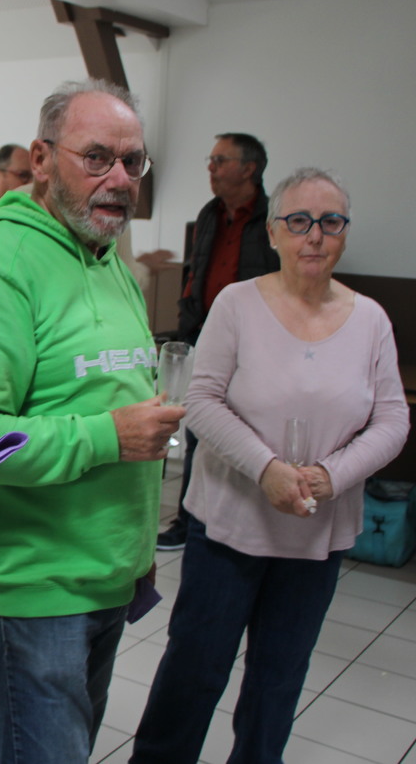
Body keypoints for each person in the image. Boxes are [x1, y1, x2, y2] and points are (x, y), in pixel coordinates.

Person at [0, 78, 184, 764]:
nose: (119, 179)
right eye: (96, 157)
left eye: (133, 161)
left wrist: (136, 552)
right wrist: (110, 436)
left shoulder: (109, 257)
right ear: (41, 159)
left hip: (108, 572)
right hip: (37, 586)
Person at [129, 168, 410, 764]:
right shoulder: (237, 305)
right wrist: (266, 469)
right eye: (299, 221)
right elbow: (201, 400)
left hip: (315, 534)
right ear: (275, 232)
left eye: (330, 222)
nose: (315, 235)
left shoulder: (371, 320)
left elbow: (392, 421)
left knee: (278, 679)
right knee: (195, 668)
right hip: (229, 527)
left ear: (345, 233)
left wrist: (331, 475)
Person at [158, 132, 278, 551]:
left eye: (220, 160)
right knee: (197, 428)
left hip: (254, 345)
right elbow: (197, 272)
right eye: (210, 160)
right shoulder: (209, 214)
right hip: (200, 335)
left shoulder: (272, 218)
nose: (211, 168)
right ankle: (189, 523)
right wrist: (186, 320)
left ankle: (237, 523)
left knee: (242, 430)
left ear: (249, 169)